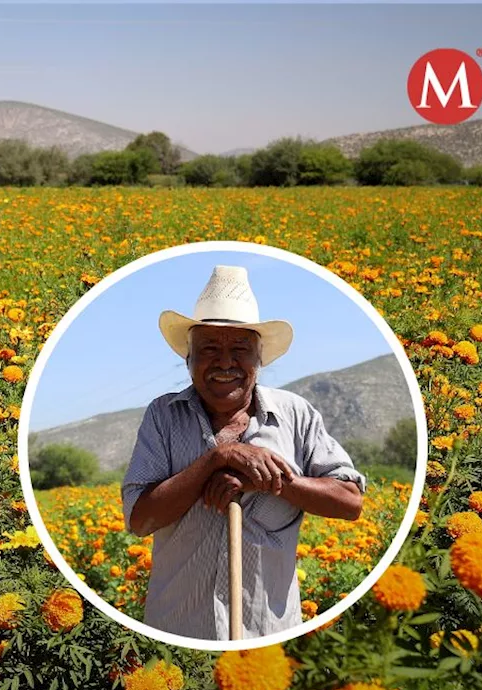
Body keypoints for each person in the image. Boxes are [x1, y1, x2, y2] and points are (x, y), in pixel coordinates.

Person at [121, 265, 365, 640]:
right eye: (209, 350)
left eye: (239, 350)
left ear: (259, 359)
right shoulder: (163, 416)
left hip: (267, 633)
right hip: (178, 633)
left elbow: (350, 502)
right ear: (188, 359)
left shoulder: (295, 414)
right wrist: (217, 458)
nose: (224, 363)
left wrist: (269, 482)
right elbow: (141, 521)